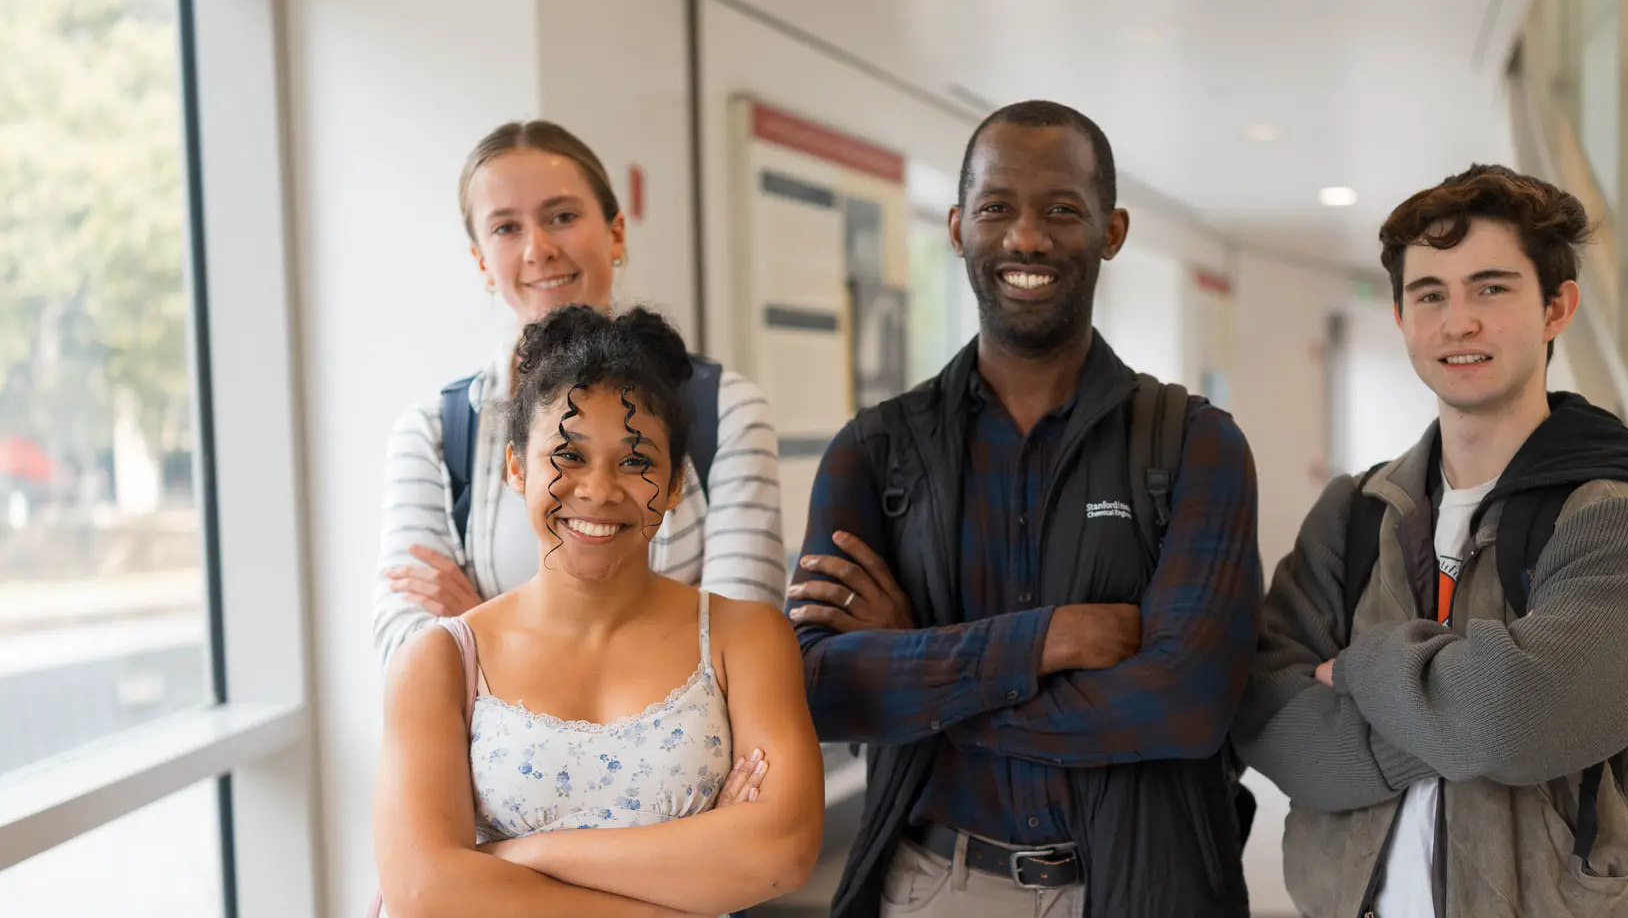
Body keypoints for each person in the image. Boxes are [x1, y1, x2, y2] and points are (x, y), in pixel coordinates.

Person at [785, 100, 1262, 918]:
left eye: (1061, 211)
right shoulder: (875, 451)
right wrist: (1047, 640)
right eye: (997, 208)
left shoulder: (1196, 448)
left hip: (1145, 888)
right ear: (957, 225)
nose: (1027, 238)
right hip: (934, 887)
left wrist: (921, 668)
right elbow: (819, 688)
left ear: (1111, 232)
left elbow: (1183, 705)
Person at [1232, 164, 1628, 918]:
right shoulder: (1354, 514)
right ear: (1401, 316)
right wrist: (1464, 709)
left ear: (1556, 307)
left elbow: (1521, 721)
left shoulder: (1618, 518)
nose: (1458, 322)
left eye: (1491, 288)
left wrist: (1358, 668)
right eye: (1430, 295)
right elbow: (1265, 719)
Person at [373, 305, 822, 917]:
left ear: (672, 484)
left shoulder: (745, 640)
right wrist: (699, 866)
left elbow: (783, 851)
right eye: (569, 455)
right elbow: (424, 894)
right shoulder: (439, 662)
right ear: (515, 467)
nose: (599, 489)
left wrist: (521, 855)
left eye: (636, 461)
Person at [372, 121, 784, 669]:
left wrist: (483, 623)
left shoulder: (726, 413)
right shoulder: (434, 434)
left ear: (615, 234)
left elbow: (742, 656)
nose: (538, 249)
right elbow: (406, 657)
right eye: (505, 228)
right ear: (480, 261)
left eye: (561, 217)